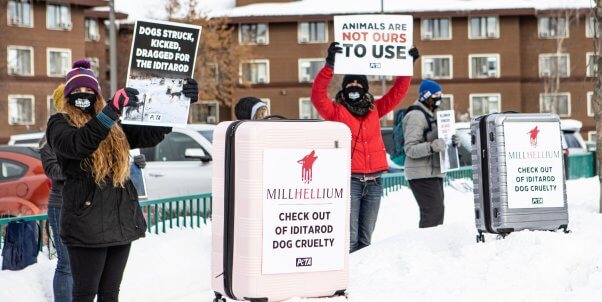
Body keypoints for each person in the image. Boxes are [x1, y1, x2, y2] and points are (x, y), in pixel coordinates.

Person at [45, 59, 198, 301]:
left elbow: (149, 134)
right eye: (76, 90)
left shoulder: (114, 124)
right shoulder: (59, 124)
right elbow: (79, 145)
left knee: (110, 294)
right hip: (87, 224)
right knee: (85, 293)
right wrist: (111, 111)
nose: (83, 94)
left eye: (88, 90)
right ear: (67, 94)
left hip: (120, 221)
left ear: (96, 94)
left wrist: (178, 104)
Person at [311, 42, 420, 252]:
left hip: (374, 183)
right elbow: (317, 96)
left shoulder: (375, 110)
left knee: (365, 239)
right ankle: (347, 281)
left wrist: (407, 66)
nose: (354, 87)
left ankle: (363, 279)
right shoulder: (336, 112)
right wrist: (329, 66)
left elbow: (397, 93)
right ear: (344, 89)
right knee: (350, 239)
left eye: (358, 84)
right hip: (350, 181)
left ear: (365, 89)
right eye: (349, 85)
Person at [402, 80, 460, 228]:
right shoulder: (416, 116)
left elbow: (436, 139)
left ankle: (431, 245)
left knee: (437, 213)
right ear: (426, 96)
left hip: (433, 172)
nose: (439, 98)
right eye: (436, 95)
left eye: (440, 95)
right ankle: (427, 247)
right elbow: (410, 149)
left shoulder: (432, 114)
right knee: (432, 213)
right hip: (421, 173)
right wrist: (433, 147)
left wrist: (451, 141)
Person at [40, 84, 72, 302]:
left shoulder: (84, 132)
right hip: (61, 205)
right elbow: (53, 170)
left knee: (83, 263)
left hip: (84, 205)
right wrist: (80, 167)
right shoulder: (51, 136)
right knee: (66, 263)